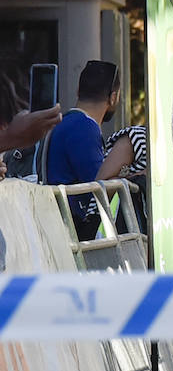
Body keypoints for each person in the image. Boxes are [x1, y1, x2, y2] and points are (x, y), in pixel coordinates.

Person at [45, 60, 120, 238]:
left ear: (78, 91)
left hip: (56, 218)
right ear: (113, 97)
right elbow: (99, 181)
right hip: (68, 227)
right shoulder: (84, 127)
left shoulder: (66, 121)